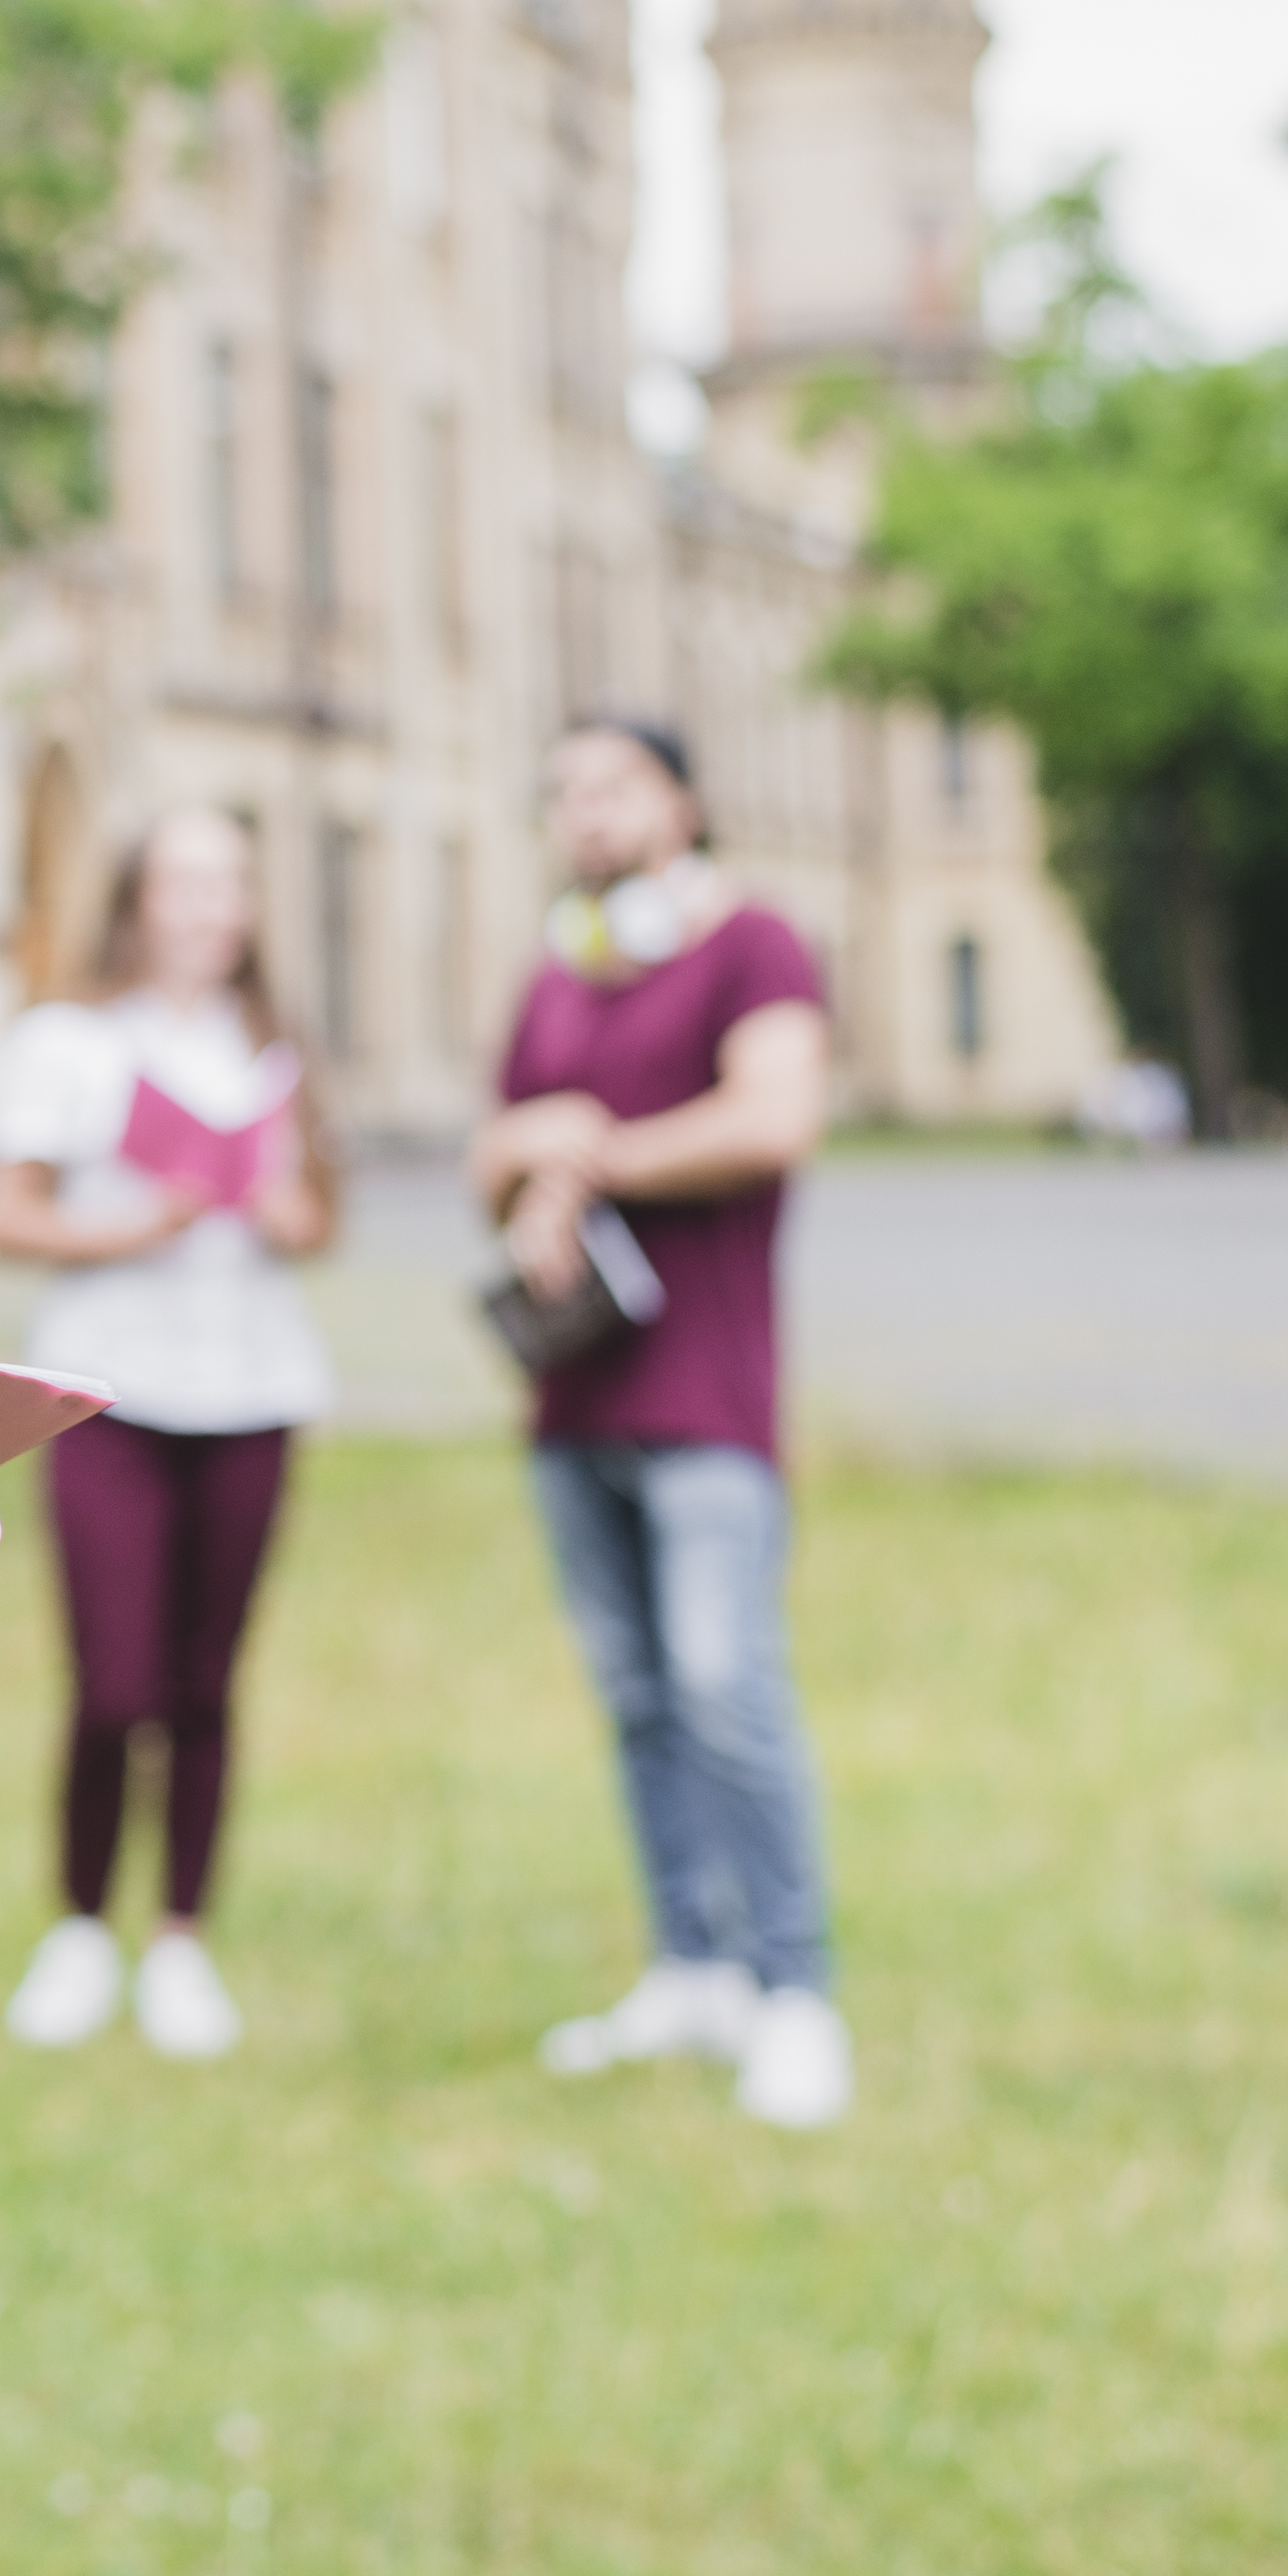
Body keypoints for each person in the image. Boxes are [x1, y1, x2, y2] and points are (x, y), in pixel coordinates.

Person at [468, 717, 852, 2132]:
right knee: (635, 1695)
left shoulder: (752, 947)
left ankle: (793, 1988)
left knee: (726, 1686)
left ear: (683, 800)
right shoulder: (561, 975)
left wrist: (591, 1155)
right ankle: (691, 1965)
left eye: (613, 784)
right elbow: (488, 1150)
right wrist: (534, 1153)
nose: (586, 812)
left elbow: (777, 1115)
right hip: (574, 1398)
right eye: (563, 790)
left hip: (706, 1397)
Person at [0, 807, 338, 2060]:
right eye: (188, 884)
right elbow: (3, 1213)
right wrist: (133, 1224)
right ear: (134, 900)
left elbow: (318, 1212)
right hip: (112, 1389)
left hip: (253, 1386)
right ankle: (78, 1930)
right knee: (115, 1681)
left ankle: (181, 1938)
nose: (214, 910)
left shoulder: (268, 1044)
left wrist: (282, 1208)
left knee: (205, 1683)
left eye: (234, 883)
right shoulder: (68, 1043)